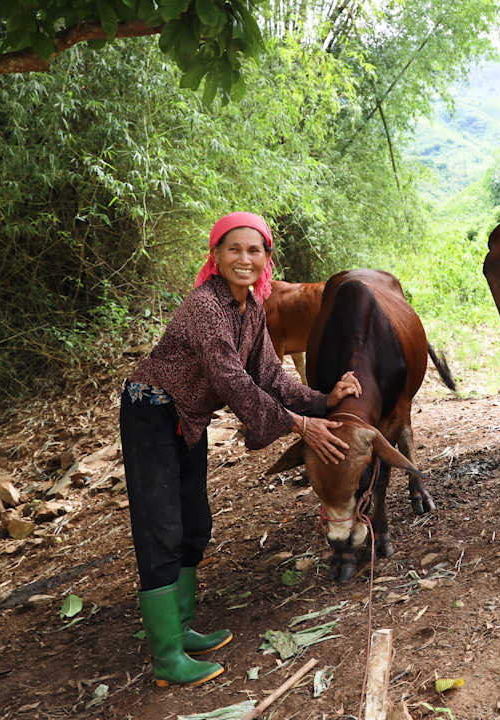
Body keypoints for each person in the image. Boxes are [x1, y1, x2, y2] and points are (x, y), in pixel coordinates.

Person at [120, 212, 360, 687]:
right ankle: (167, 656)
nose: (244, 259)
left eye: (255, 250)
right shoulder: (205, 306)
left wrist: (323, 399)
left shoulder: (250, 309)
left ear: (267, 260)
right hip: (150, 412)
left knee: (195, 523)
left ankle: (183, 629)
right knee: (161, 527)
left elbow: (268, 375)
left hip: (186, 419)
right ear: (215, 256)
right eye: (234, 249)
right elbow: (231, 381)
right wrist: (299, 425)